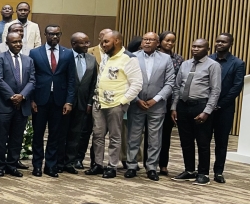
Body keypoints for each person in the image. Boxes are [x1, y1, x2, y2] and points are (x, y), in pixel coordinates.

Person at [87, 31, 143, 179]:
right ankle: (98, 164)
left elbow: (137, 84)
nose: (103, 44)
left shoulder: (129, 58)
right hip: (99, 103)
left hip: (116, 105)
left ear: (117, 41)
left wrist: (123, 101)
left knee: (115, 136)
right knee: (98, 135)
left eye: (106, 42)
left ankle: (112, 166)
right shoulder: (106, 56)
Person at [28, 25, 77, 178]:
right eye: (51, 34)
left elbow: (71, 80)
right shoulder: (35, 53)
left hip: (59, 101)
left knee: (55, 135)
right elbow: (31, 78)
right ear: (45, 35)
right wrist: (32, 99)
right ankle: (37, 165)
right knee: (38, 135)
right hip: (40, 99)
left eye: (57, 34)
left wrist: (69, 101)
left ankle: (51, 166)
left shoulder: (68, 54)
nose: (54, 37)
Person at [125, 32, 175, 181]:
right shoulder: (132, 57)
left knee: (155, 138)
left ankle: (152, 167)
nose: (147, 42)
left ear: (157, 43)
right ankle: (131, 165)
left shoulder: (166, 59)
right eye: (145, 40)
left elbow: (170, 82)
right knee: (133, 137)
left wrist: (157, 99)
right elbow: (126, 80)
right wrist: (136, 99)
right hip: (136, 104)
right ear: (141, 43)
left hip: (157, 105)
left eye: (151, 40)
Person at [171, 39, 222, 186]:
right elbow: (177, 86)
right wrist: (174, 107)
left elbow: (215, 90)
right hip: (183, 105)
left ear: (207, 49)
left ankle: (203, 173)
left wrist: (207, 111)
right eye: (193, 46)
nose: (195, 49)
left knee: (203, 142)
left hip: (201, 106)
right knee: (185, 141)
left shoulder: (213, 65)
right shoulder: (185, 64)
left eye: (199, 47)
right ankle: (189, 170)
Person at [0, 32, 36, 177]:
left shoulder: (28, 60)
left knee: (17, 138)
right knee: (1, 138)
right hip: (4, 105)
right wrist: (12, 96)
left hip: (22, 105)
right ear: (7, 43)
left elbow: (32, 81)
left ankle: (12, 165)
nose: (17, 44)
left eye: (19, 41)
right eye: (14, 42)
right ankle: (0, 166)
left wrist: (21, 96)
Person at [59, 33, 99, 174]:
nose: (87, 45)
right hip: (64, 103)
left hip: (83, 103)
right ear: (74, 44)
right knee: (61, 133)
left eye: (88, 42)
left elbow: (93, 83)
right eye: (83, 43)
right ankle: (59, 161)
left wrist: (89, 103)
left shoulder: (92, 60)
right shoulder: (64, 57)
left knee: (76, 134)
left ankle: (70, 162)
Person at [209, 33, 245, 183]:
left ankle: (218, 171)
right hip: (206, 108)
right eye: (217, 41)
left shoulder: (237, 63)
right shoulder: (208, 60)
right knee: (203, 141)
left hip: (225, 109)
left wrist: (220, 104)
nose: (219, 44)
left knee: (221, 142)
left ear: (231, 44)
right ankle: (202, 169)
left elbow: (237, 87)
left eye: (223, 42)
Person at [157, 31, 184, 176]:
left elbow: (178, 83)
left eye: (172, 41)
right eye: (167, 40)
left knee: (166, 134)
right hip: (152, 99)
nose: (170, 43)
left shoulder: (178, 59)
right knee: (151, 133)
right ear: (160, 41)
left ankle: (163, 164)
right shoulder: (152, 56)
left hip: (169, 100)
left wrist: (175, 104)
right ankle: (150, 163)